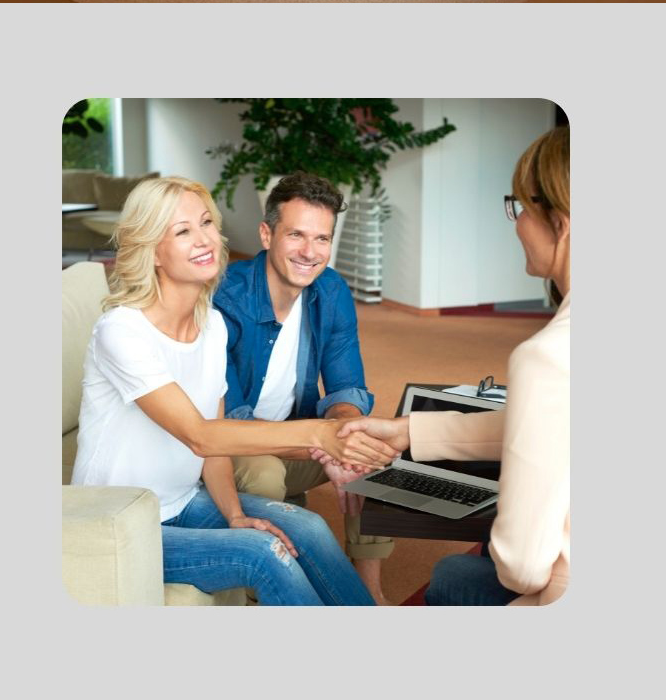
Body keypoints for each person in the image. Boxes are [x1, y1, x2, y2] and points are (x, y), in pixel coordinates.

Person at [70, 175, 398, 605]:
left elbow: (215, 443)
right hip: (119, 519)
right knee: (265, 554)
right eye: (183, 231)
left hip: (184, 502)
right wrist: (318, 435)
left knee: (311, 528)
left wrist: (235, 513)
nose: (205, 239)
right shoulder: (123, 331)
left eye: (206, 223)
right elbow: (200, 434)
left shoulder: (211, 326)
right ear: (151, 250)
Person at [335, 126, 570, 605]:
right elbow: (550, 421)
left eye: (520, 207)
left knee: (458, 573)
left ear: (560, 222)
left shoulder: (547, 357)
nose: (516, 222)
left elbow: (522, 567)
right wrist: (408, 432)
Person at [212, 172, 395, 605]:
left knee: (377, 450)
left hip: (301, 437)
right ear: (266, 234)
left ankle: (368, 592)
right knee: (264, 472)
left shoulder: (330, 289)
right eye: (296, 235)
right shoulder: (227, 298)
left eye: (321, 238)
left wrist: (348, 434)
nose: (310, 253)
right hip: (233, 444)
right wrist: (326, 445)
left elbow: (347, 385)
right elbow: (231, 420)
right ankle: (255, 592)